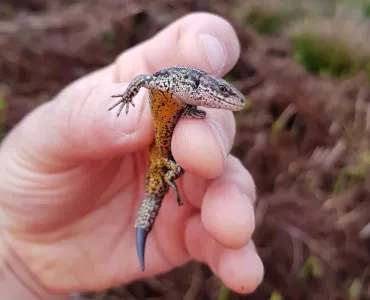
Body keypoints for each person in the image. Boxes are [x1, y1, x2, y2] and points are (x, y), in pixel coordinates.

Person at [0, 13, 264, 299]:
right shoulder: (172, 81)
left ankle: (158, 194)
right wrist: (127, 98)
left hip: (161, 152)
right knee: (183, 159)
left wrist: (22, 272)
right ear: (204, 86)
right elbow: (142, 79)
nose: (231, 99)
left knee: (184, 161)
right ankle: (164, 181)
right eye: (224, 91)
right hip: (156, 147)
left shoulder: (187, 96)